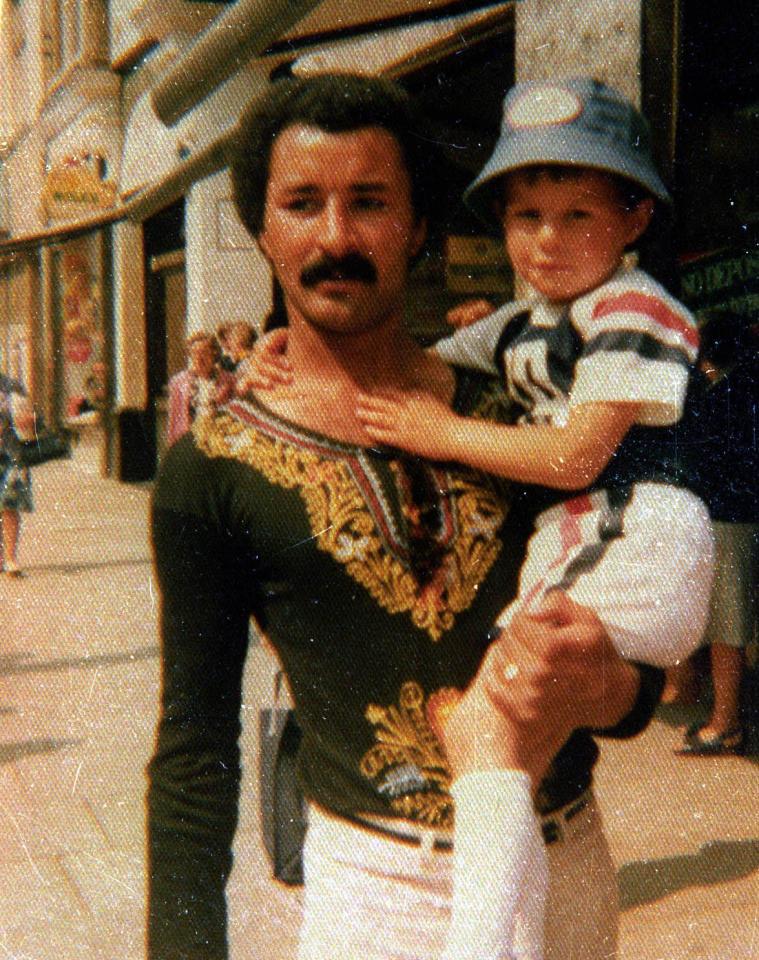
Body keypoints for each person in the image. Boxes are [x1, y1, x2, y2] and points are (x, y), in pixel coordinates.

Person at [147, 74, 676, 960]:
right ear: (260, 228)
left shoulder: (518, 416)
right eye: (302, 204)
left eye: (370, 203)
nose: (336, 238)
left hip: (564, 878)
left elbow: (631, 660)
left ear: (420, 226)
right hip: (375, 900)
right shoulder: (211, 469)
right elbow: (195, 749)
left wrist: (614, 691)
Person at [675, 314, 758, 755]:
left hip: (728, 517)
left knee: (727, 625)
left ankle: (725, 725)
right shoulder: (747, 385)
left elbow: (700, 454)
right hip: (744, 515)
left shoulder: (726, 391)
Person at [165, 331, 235, 446]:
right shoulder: (178, 382)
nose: (199, 358)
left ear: (214, 354)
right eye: (194, 353)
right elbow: (174, 419)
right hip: (188, 441)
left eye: (204, 353)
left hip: (219, 440)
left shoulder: (229, 380)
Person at [0, 375, 35, 577]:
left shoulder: (12, 386)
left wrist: (26, 420)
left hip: (11, 454)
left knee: (9, 504)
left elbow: (30, 417)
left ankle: (11, 557)